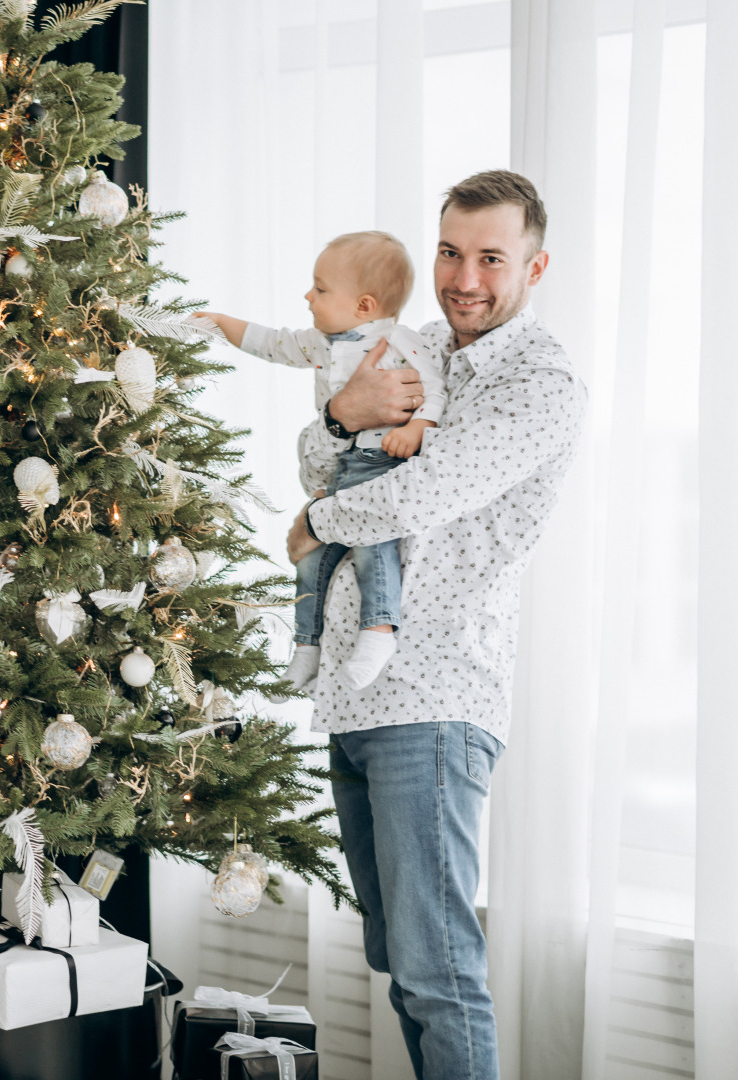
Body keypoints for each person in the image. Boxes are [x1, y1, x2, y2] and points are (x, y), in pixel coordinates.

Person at [285, 172, 586, 1079]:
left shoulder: (540, 384)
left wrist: (315, 524)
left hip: (437, 697)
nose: (464, 278)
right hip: (356, 693)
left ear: (534, 266)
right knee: (396, 960)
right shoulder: (411, 346)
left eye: (490, 258)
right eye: (450, 252)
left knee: (436, 969)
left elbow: (423, 492)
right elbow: (315, 450)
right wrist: (342, 416)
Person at [197, 231, 446, 693]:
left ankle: (378, 629)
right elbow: (269, 342)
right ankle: (306, 648)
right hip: (339, 469)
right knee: (310, 559)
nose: (308, 297)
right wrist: (218, 322)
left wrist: (417, 428)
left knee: (373, 545)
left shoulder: (400, 341)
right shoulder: (318, 343)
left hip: (379, 462)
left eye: (321, 289)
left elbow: (433, 388)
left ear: (365, 305)